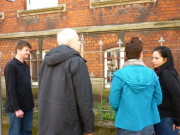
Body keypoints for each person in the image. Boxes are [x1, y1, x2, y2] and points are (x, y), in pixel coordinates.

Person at [38, 28, 94, 135]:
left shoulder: (45, 62)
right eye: (77, 40)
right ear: (70, 42)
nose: (80, 43)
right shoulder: (77, 61)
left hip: (47, 125)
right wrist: (89, 127)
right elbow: (84, 97)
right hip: (69, 126)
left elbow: (41, 91)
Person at [109, 37, 162, 135]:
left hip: (126, 122)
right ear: (141, 54)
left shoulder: (119, 75)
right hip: (147, 122)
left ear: (126, 55)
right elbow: (158, 99)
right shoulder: (152, 74)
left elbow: (114, 102)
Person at [4, 40, 35, 135]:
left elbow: (26, 86)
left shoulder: (25, 65)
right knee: (16, 133)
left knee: (27, 132)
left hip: (27, 106)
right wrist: (17, 109)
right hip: (15, 108)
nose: (29, 53)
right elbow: (11, 89)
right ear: (18, 50)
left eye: (29, 51)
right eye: (26, 50)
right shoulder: (11, 66)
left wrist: (32, 103)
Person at [152, 46, 180, 135]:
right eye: (153, 58)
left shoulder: (166, 73)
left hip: (167, 119)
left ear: (165, 60)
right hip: (160, 117)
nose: (153, 61)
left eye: (156, 58)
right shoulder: (159, 73)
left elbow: (176, 97)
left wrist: (178, 121)